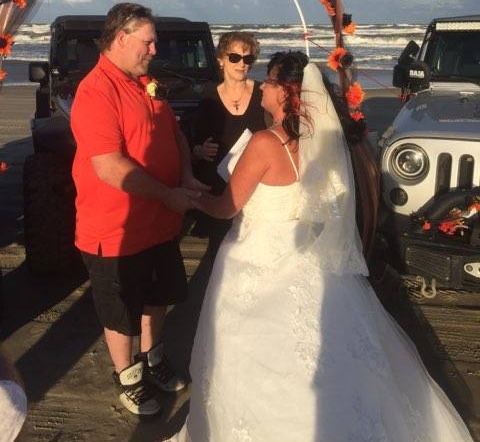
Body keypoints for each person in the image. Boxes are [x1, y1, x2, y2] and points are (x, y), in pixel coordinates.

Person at [166, 51, 473, 441]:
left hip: (254, 256)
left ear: (287, 92)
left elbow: (226, 208)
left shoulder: (264, 143)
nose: (264, 85)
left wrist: (193, 198)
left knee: (247, 353)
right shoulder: (317, 140)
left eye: (271, 81)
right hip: (305, 254)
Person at [71, 3, 207, 417]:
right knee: (121, 313)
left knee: (157, 299)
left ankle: (154, 359)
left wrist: (184, 176)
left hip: (159, 226)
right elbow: (110, 167)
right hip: (115, 231)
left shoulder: (145, 82)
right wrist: (167, 195)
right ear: (119, 38)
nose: (154, 49)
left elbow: (175, 135)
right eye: (148, 41)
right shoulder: (96, 92)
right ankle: (127, 376)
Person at [191, 31, 266, 257]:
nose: (242, 64)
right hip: (218, 187)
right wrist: (199, 151)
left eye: (248, 59)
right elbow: (190, 145)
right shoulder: (207, 97)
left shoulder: (263, 94)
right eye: (235, 58)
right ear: (221, 59)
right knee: (220, 252)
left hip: (254, 186)